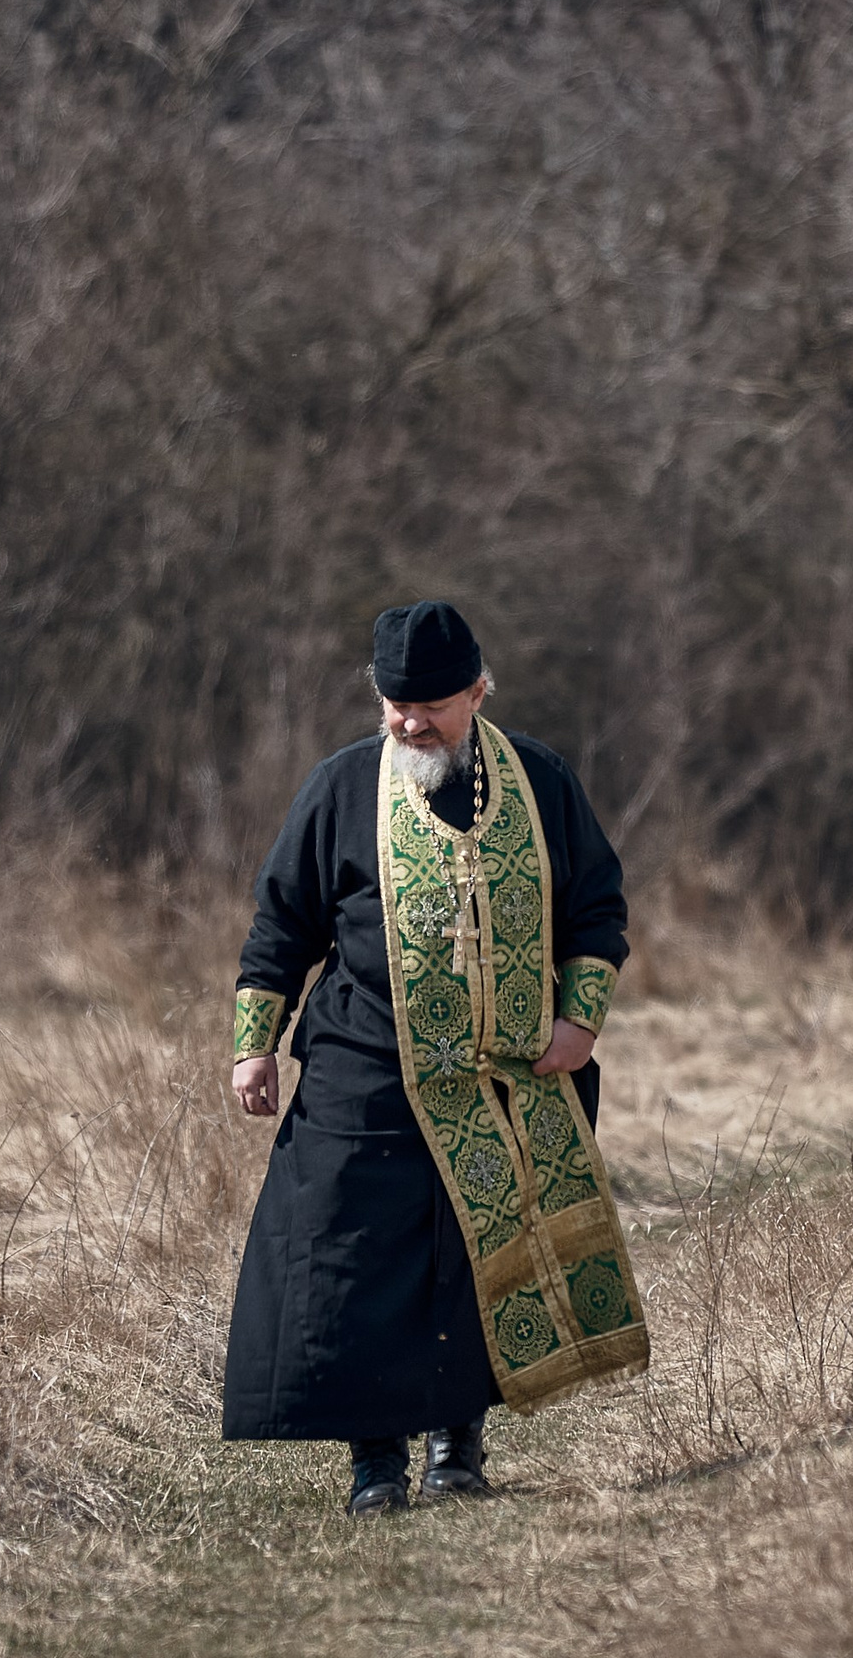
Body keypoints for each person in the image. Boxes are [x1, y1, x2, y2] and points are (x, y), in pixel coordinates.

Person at [224, 600, 647, 1513]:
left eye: (431, 705)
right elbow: (282, 923)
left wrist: (580, 1025)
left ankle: (459, 1441)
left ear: (478, 690)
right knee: (354, 1260)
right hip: (361, 1067)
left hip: (509, 1074)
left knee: (473, 1258)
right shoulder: (338, 788)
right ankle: (375, 1461)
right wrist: (252, 1049)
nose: (411, 721)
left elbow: (597, 911)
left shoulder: (540, 779)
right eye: (394, 705)